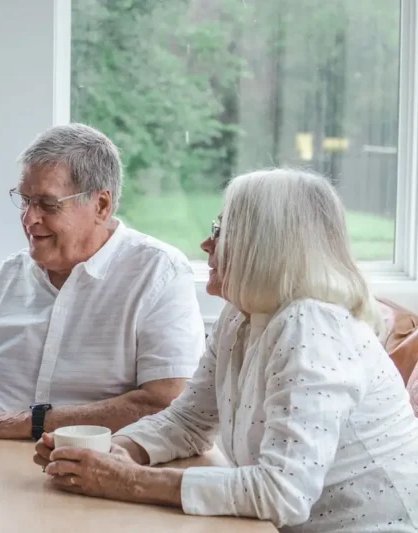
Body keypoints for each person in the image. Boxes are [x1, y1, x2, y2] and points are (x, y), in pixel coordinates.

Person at [34, 168, 418, 532]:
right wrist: (116, 450)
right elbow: (188, 422)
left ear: (266, 243)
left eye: (220, 230)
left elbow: (282, 494)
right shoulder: (241, 317)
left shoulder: (311, 327)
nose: (206, 243)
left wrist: (130, 480)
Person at [0, 123, 205, 440]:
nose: (29, 218)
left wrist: (33, 423)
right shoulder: (6, 277)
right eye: (24, 201)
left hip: (96, 472)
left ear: (101, 206)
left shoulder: (158, 273)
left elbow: (167, 403)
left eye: (48, 205)